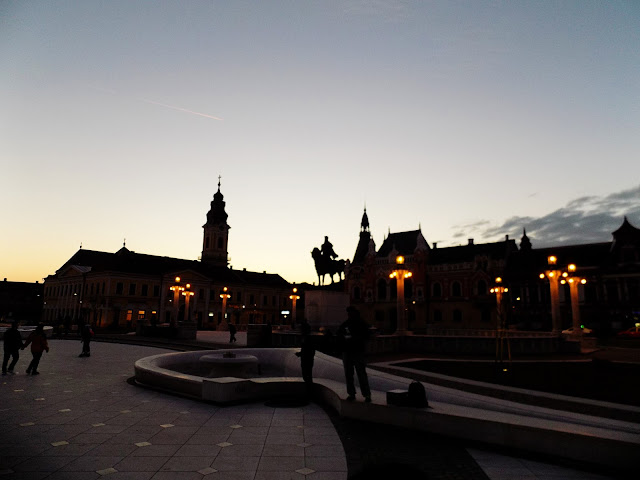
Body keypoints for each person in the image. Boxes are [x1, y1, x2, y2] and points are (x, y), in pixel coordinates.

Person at [337, 306, 371, 402]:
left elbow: (366, 336)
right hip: (353, 351)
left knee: (356, 374)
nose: (349, 314)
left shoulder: (352, 324)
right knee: (356, 374)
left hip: (354, 351)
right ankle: (363, 394)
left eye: (350, 313)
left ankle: (359, 394)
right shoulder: (356, 323)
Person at [296, 321, 316, 396]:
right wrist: (301, 354)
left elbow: (308, 350)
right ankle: (310, 392)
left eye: (301, 329)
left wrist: (301, 354)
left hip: (306, 360)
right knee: (307, 376)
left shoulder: (307, 338)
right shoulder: (307, 338)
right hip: (307, 360)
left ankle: (310, 393)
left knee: (307, 376)